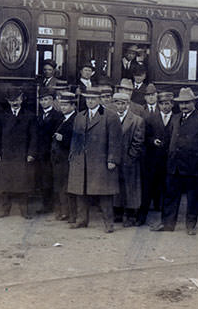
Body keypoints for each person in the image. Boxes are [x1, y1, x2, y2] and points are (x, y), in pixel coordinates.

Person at [152, 87, 198, 235]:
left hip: (193, 167)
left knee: (193, 197)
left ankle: (191, 225)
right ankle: (168, 224)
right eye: (181, 103)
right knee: (170, 195)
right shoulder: (175, 118)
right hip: (174, 165)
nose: (184, 106)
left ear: (194, 102)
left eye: (187, 103)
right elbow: (169, 138)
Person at [67, 87, 122, 232]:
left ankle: (108, 223)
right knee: (81, 191)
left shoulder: (110, 116)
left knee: (104, 194)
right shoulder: (80, 116)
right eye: (87, 99)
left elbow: (115, 141)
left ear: (99, 99)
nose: (90, 101)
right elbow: (76, 139)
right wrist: (73, 156)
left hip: (101, 161)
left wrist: (112, 159)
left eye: (93, 99)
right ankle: (82, 220)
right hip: (81, 161)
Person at [0, 88, 36, 219]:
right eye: (12, 100)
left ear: (22, 99)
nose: (15, 102)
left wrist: (31, 153)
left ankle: (24, 210)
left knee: (23, 184)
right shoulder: (1, 115)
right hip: (6, 155)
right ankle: (5, 210)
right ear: (7, 101)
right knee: (5, 184)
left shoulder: (30, 116)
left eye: (17, 99)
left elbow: (34, 137)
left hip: (22, 155)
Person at [138, 90, 173, 226]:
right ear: (158, 105)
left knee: (167, 191)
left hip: (169, 161)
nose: (165, 106)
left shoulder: (177, 119)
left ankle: (167, 220)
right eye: (162, 104)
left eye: (168, 104)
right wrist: (152, 141)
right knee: (147, 190)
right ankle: (141, 217)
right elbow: (144, 137)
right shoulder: (150, 119)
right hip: (152, 161)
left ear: (172, 104)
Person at [113, 91, 145, 227]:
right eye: (117, 103)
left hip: (130, 160)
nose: (120, 106)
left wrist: (130, 157)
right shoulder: (110, 118)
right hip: (114, 159)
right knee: (116, 186)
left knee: (131, 188)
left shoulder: (137, 120)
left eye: (123, 104)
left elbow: (138, 142)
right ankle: (118, 213)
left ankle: (131, 214)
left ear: (127, 105)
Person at [50, 91, 77, 222]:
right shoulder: (61, 118)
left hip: (68, 159)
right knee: (59, 186)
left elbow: (79, 140)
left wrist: (64, 138)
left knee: (66, 187)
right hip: (58, 159)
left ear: (73, 106)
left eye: (66, 105)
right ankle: (62, 211)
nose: (63, 107)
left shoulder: (76, 120)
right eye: (61, 105)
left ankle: (68, 213)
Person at [35, 87, 59, 214]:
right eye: (42, 100)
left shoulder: (57, 116)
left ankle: (53, 206)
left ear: (52, 100)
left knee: (51, 180)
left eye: (46, 99)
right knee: (43, 180)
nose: (44, 102)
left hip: (52, 154)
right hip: (41, 154)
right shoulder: (39, 116)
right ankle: (46, 205)